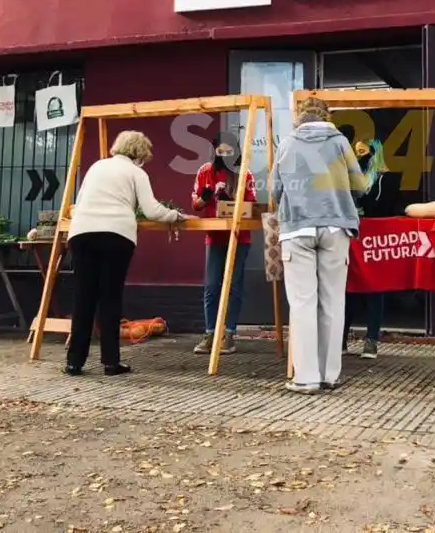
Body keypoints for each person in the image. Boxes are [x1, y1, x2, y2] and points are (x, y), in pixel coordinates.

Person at [64, 130, 193, 376]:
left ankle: (74, 363)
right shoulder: (137, 173)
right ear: (140, 153)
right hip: (116, 236)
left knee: (83, 298)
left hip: (82, 233)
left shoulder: (97, 167)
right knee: (110, 299)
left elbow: (79, 203)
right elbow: (153, 210)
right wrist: (176, 216)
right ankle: (111, 362)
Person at [273, 97, 364, 394]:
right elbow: (360, 186)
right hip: (336, 226)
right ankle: (330, 375)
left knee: (302, 303)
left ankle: (306, 378)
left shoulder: (286, 144)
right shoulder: (339, 142)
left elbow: (274, 190)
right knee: (333, 302)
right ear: (327, 115)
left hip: (297, 228)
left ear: (299, 116)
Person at [191, 134, 257, 355]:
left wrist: (231, 195)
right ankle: (210, 333)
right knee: (211, 286)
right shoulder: (204, 172)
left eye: (230, 151)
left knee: (234, 285)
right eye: (221, 151)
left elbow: (251, 205)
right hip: (214, 236)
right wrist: (209, 194)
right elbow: (196, 205)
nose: (225, 155)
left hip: (239, 237)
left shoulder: (245, 174)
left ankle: (229, 333)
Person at [342, 137, 394, 360]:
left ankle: (371, 340)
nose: (360, 155)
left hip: (374, 239)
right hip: (352, 237)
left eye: (364, 152)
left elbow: (382, 206)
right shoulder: (349, 175)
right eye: (357, 151)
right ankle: (341, 338)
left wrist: (361, 196)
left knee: (375, 288)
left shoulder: (384, 178)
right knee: (347, 288)